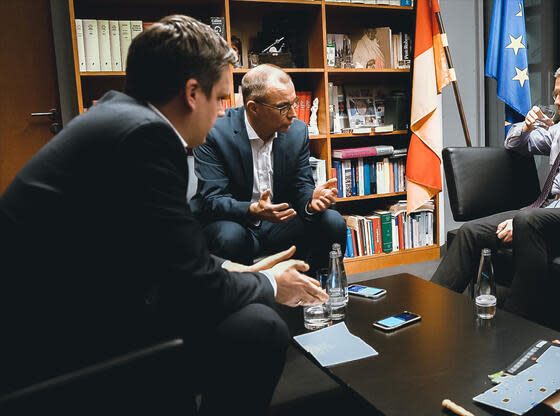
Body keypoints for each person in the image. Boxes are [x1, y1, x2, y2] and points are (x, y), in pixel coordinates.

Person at [0, 15, 328, 414]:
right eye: (221, 98)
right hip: (53, 347)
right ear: (193, 92)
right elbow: (193, 292)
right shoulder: (147, 139)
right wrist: (271, 283)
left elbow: (158, 251)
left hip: (64, 313)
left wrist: (233, 270)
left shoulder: (119, 117)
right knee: (259, 327)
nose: (223, 113)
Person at [431, 58, 560, 320]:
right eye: (555, 94)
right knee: (471, 232)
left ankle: (516, 321)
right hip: (550, 213)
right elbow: (515, 144)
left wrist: (525, 220)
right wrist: (526, 126)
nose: (557, 102)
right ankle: (431, 310)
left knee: (527, 220)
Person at [191, 64, 346, 271]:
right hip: (235, 221)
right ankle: (244, 299)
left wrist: (311, 202)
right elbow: (212, 199)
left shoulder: (297, 131)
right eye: (283, 107)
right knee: (229, 237)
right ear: (253, 108)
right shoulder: (214, 132)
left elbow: (301, 187)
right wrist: (253, 210)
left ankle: (319, 292)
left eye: (294, 103)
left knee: (332, 221)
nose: (293, 114)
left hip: (279, 222)